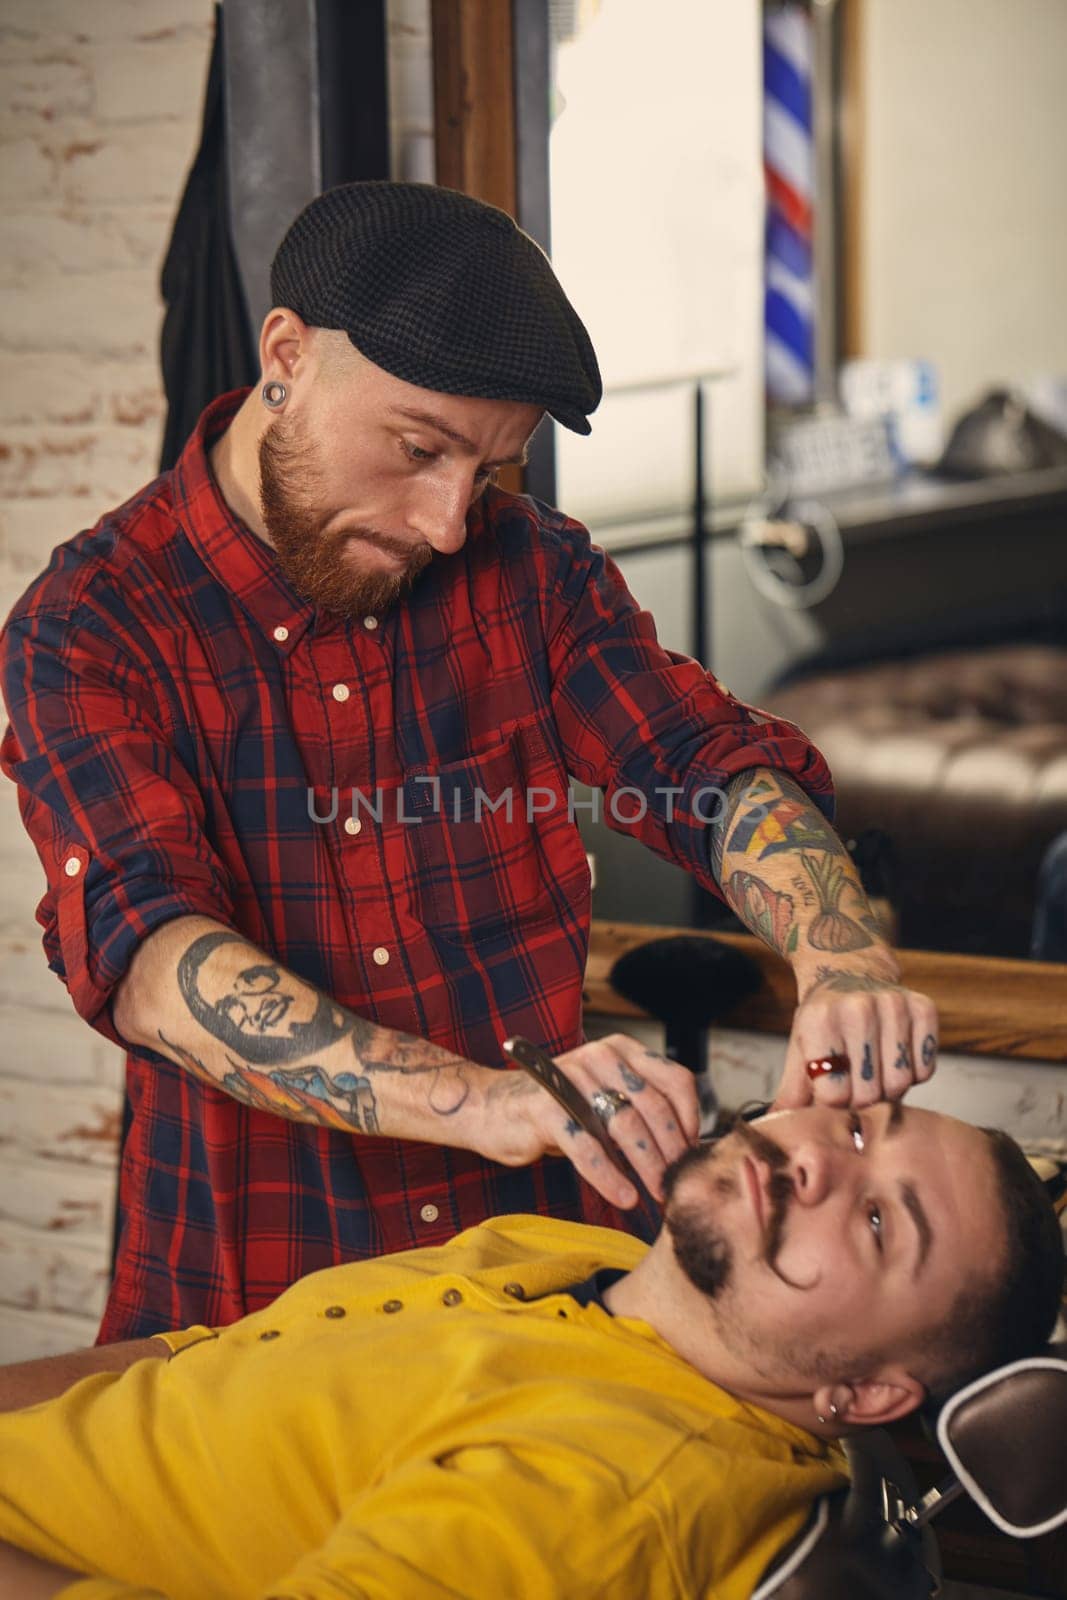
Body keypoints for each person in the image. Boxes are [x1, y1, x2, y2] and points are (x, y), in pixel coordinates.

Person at [0, 182, 940, 1344]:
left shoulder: (532, 575)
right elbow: (152, 960)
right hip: (255, 1318)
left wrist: (838, 954)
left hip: (546, 1288)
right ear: (284, 354)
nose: (449, 521)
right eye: (417, 448)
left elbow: (700, 763)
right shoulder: (90, 625)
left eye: (486, 471)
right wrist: (484, 1103)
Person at [0, 1101, 1061, 1600]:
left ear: (867, 1389)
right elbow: (179, 1361)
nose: (821, 1161)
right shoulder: (583, 1257)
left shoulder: (612, 1489)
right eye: (863, 1128)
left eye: (881, 1224)